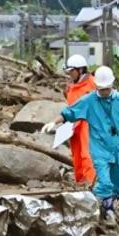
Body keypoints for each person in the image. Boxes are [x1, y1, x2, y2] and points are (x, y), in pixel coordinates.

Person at [42, 66, 119, 224]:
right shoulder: (89, 101)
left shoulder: (118, 100)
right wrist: (53, 122)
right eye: (101, 89)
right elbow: (69, 112)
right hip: (100, 150)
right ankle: (100, 211)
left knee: (116, 182)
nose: (104, 92)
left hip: (117, 147)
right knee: (104, 181)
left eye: (107, 89)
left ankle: (105, 205)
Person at [62, 54, 96, 185]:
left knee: (88, 154)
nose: (70, 75)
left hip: (89, 123)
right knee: (77, 155)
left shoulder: (93, 84)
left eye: (72, 71)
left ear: (80, 70)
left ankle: (91, 182)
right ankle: (81, 180)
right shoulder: (72, 87)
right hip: (75, 125)